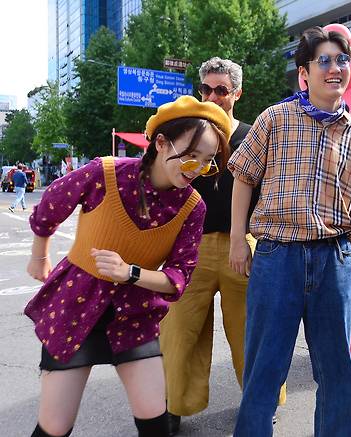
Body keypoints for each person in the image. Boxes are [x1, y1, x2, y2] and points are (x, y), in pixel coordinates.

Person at [23, 95, 231, 437]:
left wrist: (130, 273)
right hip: (75, 304)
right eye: (191, 157)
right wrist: (39, 254)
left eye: (207, 162)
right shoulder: (105, 172)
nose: (197, 170)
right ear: (161, 143)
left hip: (134, 313)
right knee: (54, 427)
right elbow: (51, 202)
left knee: (156, 422)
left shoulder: (193, 207)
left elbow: (178, 278)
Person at [228, 26, 351, 437]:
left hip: (334, 258)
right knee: (265, 366)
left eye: (342, 60)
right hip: (278, 255)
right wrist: (238, 239)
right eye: (324, 61)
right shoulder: (275, 119)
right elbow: (243, 176)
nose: (335, 68)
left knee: (336, 369)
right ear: (304, 74)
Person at [159, 58, 285, 436]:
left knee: (252, 331)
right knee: (178, 332)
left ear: (237, 93)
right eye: (207, 89)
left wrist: (254, 240)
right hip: (189, 248)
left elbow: (269, 193)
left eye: (221, 90)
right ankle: (172, 405)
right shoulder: (187, 135)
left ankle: (263, 401)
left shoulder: (254, 134)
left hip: (242, 245)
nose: (213, 97)